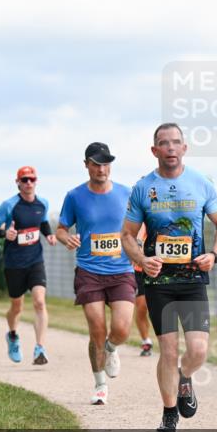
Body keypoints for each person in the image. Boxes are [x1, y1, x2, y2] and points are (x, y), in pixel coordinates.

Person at [121, 123, 217, 432]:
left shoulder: (201, 183)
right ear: (154, 150)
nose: (170, 148)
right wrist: (141, 260)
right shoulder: (143, 188)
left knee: (197, 351)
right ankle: (169, 413)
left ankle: (184, 377)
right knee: (168, 351)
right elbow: (127, 235)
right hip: (159, 284)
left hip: (192, 280)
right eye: (163, 143)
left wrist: (214, 254)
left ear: (185, 148)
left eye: (176, 142)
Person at [56, 142, 136, 405]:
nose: (101, 169)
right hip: (89, 271)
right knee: (97, 329)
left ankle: (111, 350)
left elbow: (140, 224)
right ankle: (100, 384)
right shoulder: (75, 196)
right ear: (86, 165)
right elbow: (61, 229)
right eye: (96, 163)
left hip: (121, 269)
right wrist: (66, 238)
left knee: (122, 329)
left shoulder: (127, 193)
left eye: (106, 163)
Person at [0, 166, 57, 364]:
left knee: (39, 301)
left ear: (36, 181)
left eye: (32, 179)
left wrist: (49, 234)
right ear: (17, 182)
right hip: (14, 263)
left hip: (35, 260)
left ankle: (40, 348)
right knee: (16, 307)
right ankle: (12, 335)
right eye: (24, 179)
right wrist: (4, 234)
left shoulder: (43, 203)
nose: (28, 183)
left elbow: (42, 222)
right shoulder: (9, 205)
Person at [134, 225, 153, 356]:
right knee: (141, 307)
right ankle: (146, 340)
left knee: (150, 306)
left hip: (154, 268)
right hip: (137, 270)